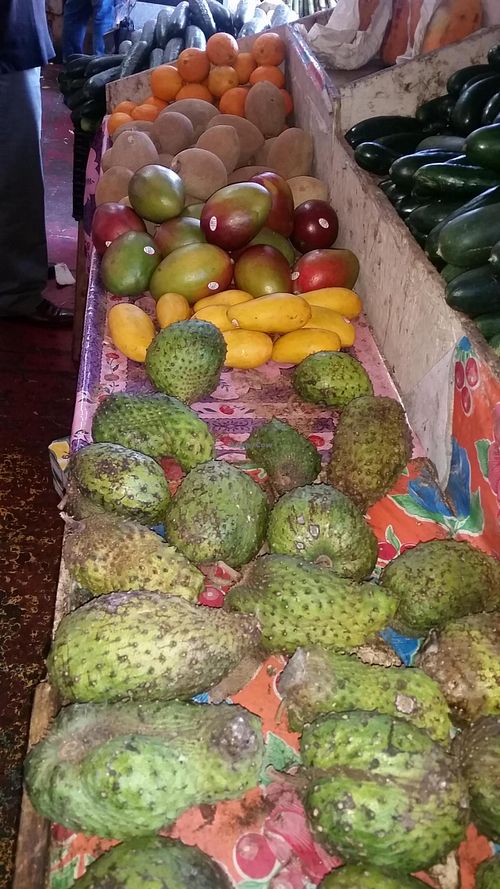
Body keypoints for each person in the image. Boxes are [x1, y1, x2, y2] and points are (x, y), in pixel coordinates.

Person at [0, 0, 73, 325]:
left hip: (15, 38)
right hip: (7, 43)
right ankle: (16, 292)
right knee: (17, 176)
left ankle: (15, 267)